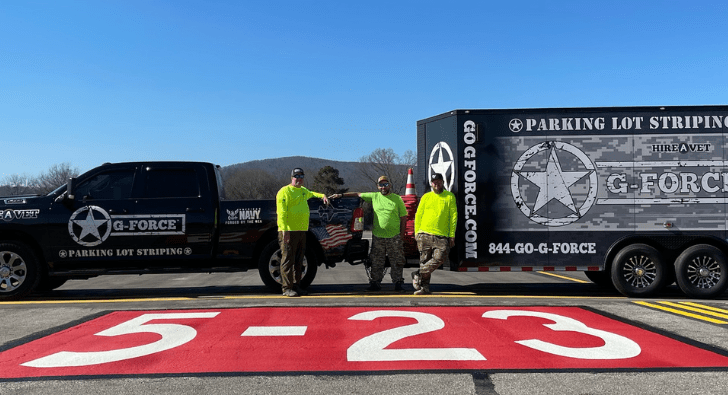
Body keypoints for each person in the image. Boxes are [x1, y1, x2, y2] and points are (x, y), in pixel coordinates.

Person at [331, 176, 408, 291]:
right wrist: (341, 195)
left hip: (394, 237)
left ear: (389, 186)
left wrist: (401, 235)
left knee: (397, 261)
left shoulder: (397, 199)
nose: (383, 187)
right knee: (377, 261)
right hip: (378, 237)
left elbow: (404, 217)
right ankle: (375, 283)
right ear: (378, 186)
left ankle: (398, 283)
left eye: (386, 184)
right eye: (381, 185)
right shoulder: (374, 196)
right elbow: (358, 194)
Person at [276, 168, 329, 297]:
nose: (299, 179)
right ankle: (286, 288)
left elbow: (313, 193)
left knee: (299, 260)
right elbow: (281, 213)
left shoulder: (303, 191)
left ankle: (296, 285)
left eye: (301, 176)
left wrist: (323, 196)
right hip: (289, 231)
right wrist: (284, 230)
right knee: (288, 260)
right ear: (291, 178)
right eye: (296, 176)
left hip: (301, 231)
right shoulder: (284, 191)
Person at [412, 173, 457, 295]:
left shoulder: (449, 197)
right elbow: (418, 215)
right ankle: (424, 288)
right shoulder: (426, 197)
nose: (436, 184)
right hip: (424, 234)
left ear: (442, 182)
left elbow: (453, 217)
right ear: (431, 184)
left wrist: (451, 235)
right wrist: (417, 232)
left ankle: (418, 273)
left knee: (440, 257)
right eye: (433, 182)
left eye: (438, 181)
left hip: (441, 235)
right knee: (425, 260)